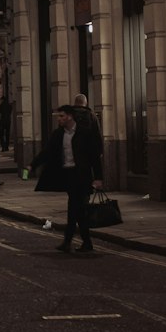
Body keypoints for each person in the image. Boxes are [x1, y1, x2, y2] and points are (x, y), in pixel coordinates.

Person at [31, 104, 104, 253]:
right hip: (69, 175)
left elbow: (94, 157)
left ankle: (70, 241)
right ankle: (85, 243)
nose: (59, 119)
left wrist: (98, 178)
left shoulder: (84, 133)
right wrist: (32, 165)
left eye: (62, 116)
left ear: (70, 116)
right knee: (77, 210)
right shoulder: (58, 134)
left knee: (75, 209)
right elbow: (47, 152)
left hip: (82, 176)